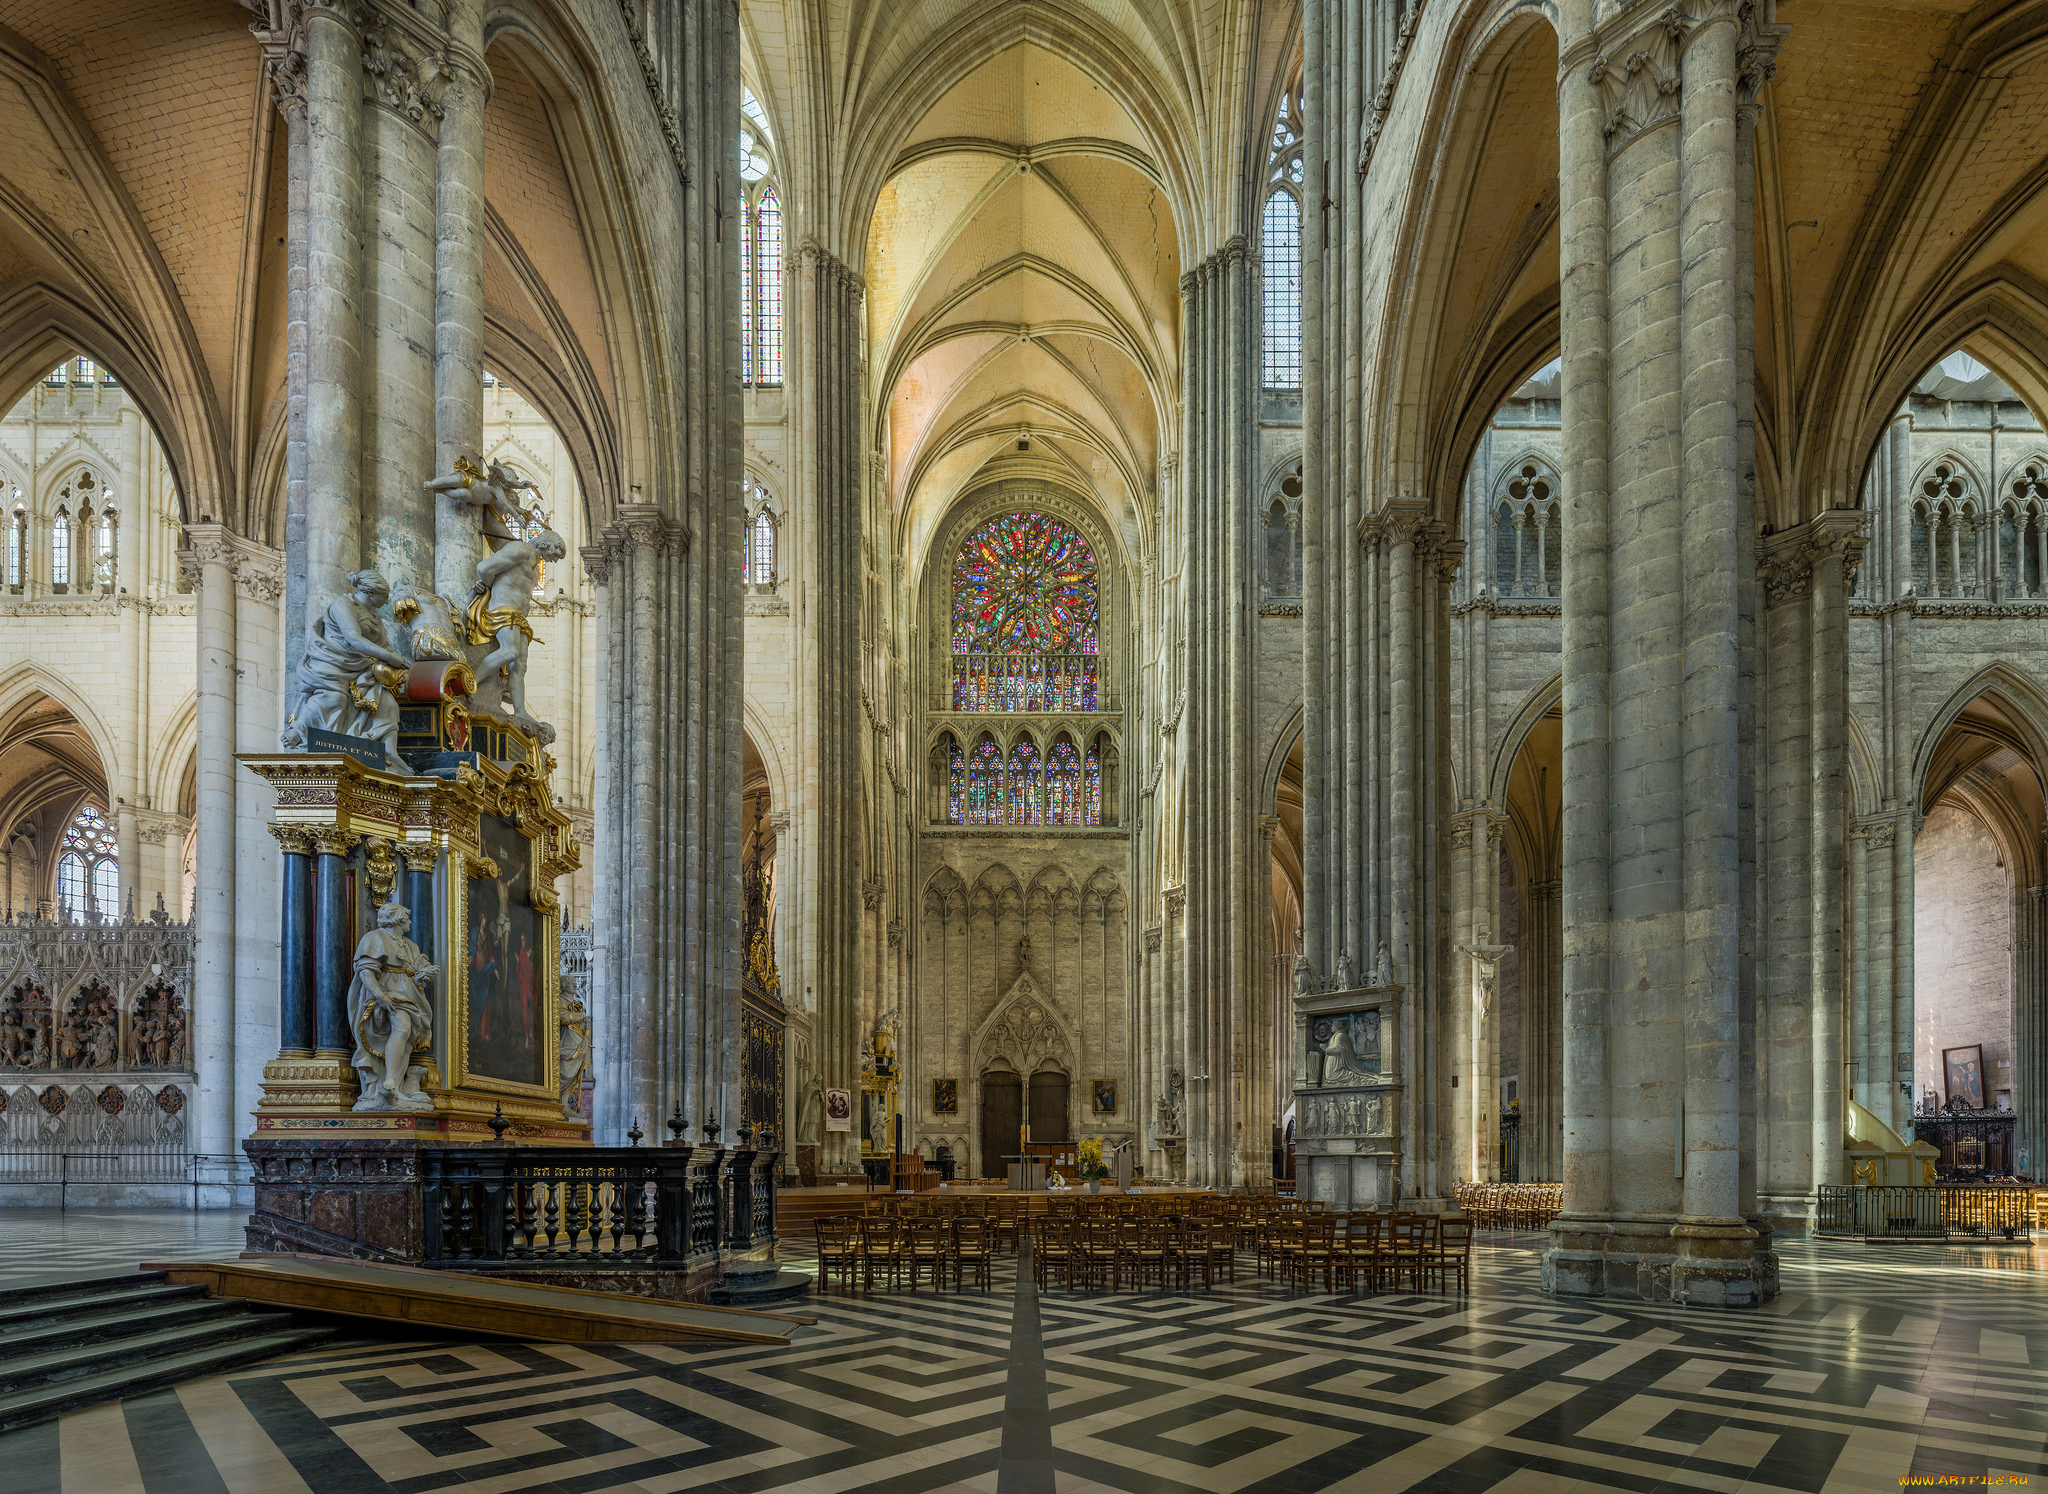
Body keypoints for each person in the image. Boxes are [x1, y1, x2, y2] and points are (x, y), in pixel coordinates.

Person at [280, 569, 413, 774]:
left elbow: (384, 647)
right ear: (371, 591)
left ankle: (388, 752)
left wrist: (395, 667)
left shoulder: (376, 620)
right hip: (332, 662)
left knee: (388, 704)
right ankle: (298, 731)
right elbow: (353, 638)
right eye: (384, 596)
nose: (386, 602)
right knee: (335, 698)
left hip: (363, 668)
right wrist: (388, 658)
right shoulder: (344, 604)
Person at [467, 529, 567, 721]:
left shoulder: (536, 568)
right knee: (510, 652)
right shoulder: (520, 549)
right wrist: (486, 586)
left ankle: (520, 710)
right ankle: (470, 684)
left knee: (520, 666)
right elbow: (484, 568)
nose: (554, 558)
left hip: (520, 618)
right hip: (504, 609)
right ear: (546, 543)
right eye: (556, 551)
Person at [348, 901, 438, 1112]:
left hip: (409, 994)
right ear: (396, 919)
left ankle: (395, 1087)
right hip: (386, 992)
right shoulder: (375, 938)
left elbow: (414, 972)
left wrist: (423, 975)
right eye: (406, 918)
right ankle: (388, 1081)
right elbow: (366, 972)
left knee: (407, 1041)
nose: (410, 922)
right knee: (403, 1027)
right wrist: (379, 995)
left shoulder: (410, 945)